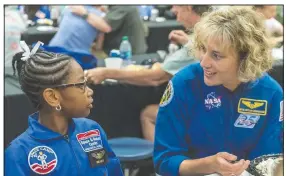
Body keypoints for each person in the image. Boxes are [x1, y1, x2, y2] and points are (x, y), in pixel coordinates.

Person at [153, 6, 283, 176]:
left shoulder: (271, 93)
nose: (204, 62)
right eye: (203, 49)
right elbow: (164, 159)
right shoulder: (183, 84)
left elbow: (269, 161)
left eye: (216, 55)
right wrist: (207, 165)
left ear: (245, 58)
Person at [5, 41, 127, 176]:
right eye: (81, 85)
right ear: (53, 97)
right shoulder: (19, 153)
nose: (90, 92)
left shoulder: (92, 130)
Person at [85, 6, 211, 141]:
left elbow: (155, 78)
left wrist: (106, 73)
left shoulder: (196, 46)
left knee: (148, 114)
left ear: (188, 7)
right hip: (214, 103)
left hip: (205, 109)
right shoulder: (209, 33)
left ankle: (162, 159)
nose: (177, 17)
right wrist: (188, 42)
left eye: (177, 11)